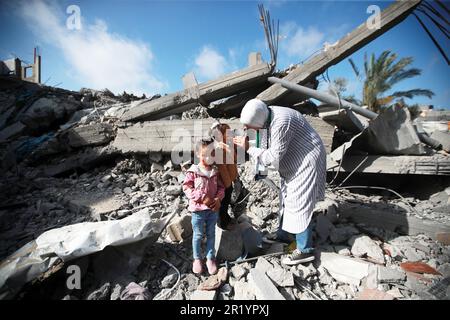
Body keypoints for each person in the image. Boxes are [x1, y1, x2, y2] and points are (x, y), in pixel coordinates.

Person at [233, 98, 326, 265]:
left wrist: (249, 149)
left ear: (259, 121)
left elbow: (273, 159)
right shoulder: (268, 115)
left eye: (248, 125)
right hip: (294, 160)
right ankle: (285, 236)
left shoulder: (281, 122)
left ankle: (305, 250)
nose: (246, 128)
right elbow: (267, 144)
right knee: (286, 198)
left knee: (300, 202)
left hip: (307, 160)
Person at [182, 138, 225, 275]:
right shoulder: (193, 171)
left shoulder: (215, 172)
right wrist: (201, 197)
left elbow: (221, 187)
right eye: (205, 154)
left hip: (212, 210)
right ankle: (197, 259)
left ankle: (210, 258)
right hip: (198, 211)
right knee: (198, 235)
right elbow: (186, 188)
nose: (210, 157)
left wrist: (218, 198)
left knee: (211, 234)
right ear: (198, 154)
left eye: (212, 154)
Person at [209, 121, 240, 230]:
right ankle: (222, 223)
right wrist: (228, 184)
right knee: (223, 202)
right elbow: (222, 168)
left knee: (225, 202)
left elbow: (234, 161)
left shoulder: (226, 145)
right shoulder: (218, 148)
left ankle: (225, 218)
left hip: (228, 179)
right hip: (223, 182)